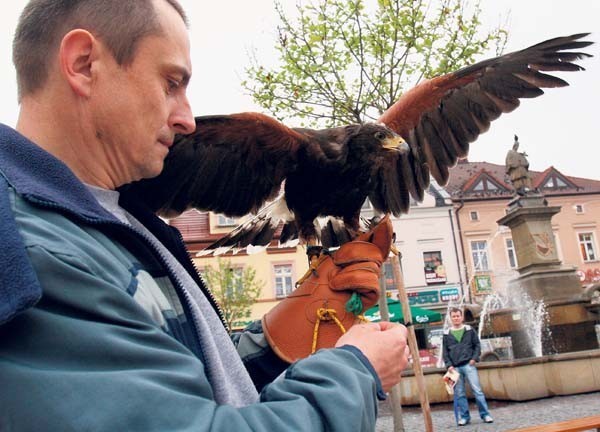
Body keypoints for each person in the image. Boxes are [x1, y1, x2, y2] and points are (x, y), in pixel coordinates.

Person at [0, 1, 409, 431]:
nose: (188, 120)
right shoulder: (30, 250)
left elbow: (183, 394)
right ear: (83, 64)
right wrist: (355, 372)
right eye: (171, 83)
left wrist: (274, 341)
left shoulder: (117, 224)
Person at [442, 307, 494, 426]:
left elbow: (477, 345)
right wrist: (449, 365)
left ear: (462, 317)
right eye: (453, 316)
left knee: (477, 391)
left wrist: (474, 358)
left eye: (458, 316)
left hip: (468, 365)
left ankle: (485, 414)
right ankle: (465, 417)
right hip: (455, 368)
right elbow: (445, 352)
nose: (456, 318)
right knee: (459, 393)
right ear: (451, 318)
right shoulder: (446, 334)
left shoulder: (469, 330)